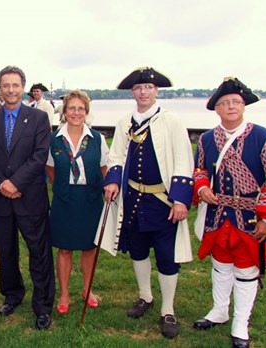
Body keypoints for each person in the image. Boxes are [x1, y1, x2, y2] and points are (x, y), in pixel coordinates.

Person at [192, 77, 266, 348]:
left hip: (249, 218)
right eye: (225, 103)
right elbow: (199, 170)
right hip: (218, 215)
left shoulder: (263, 137)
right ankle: (219, 311)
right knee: (221, 265)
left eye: (236, 102)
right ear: (217, 109)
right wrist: (202, 189)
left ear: (243, 106)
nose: (231, 107)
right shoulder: (207, 139)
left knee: (246, 269)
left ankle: (240, 324)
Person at [101, 67, 194, 339]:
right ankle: (145, 296)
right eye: (139, 88)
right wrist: (113, 181)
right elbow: (116, 155)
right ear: (133, 92)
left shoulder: (171, 120)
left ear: (156, 91)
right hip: (134, 199)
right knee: (139, 251)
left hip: (162, 202)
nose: (143, 92)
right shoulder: (124, 122)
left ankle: (168, 309)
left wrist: (179, 200)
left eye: (148, 88)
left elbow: (182, 159)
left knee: (167, 257)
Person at [0, 65, 55, 330]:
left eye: (15, 85)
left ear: (23, 87)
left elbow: (40, 154)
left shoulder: (38, 118)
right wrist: (2, 183)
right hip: (1, 198)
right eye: (5, 85)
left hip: (29, 196)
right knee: (5, 251)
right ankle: (12, 294)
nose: (10, 90)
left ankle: (43, 305)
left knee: (39, 252)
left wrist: (15, 182)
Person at [45, 90, 108, 314]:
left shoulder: (97, 139)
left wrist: (95, 185)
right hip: (65, 199)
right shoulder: (54, 139)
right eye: (72, 108)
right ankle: (63, 294)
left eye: (81, 108)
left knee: (89, 248)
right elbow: (49, 166)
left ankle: (87, 289)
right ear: (64, 112)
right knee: (64, 249)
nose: (76, 112)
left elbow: (103, 167)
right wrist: (62, 186)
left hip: (90, 199)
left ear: (86, 112)